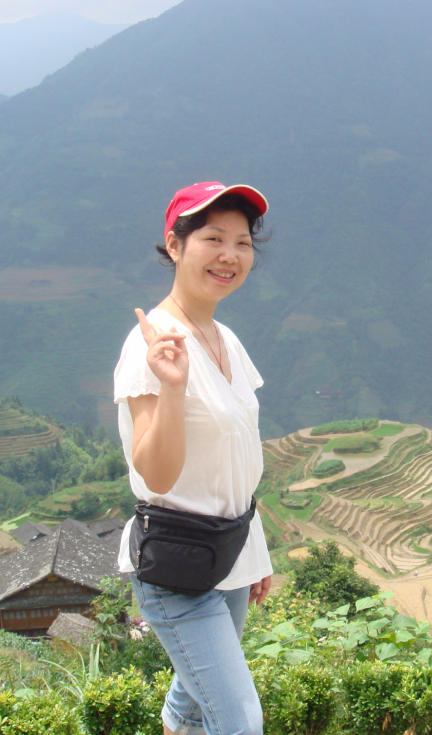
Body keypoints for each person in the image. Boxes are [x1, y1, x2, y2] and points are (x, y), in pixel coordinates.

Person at [113, 182, 273, 735]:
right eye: (212, 238)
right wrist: (173, 390)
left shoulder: (224, 335)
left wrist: (256, 549)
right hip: (177, 565)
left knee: (191, 704)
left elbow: (238, 450)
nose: (230, 255)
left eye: (242, 241)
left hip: (228, 551)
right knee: (239, 722)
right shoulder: (150, 345)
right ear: (175, 245)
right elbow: (154, 475)